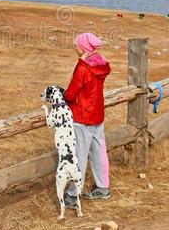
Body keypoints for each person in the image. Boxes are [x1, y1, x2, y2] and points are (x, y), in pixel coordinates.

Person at [64, 32, 112, 208]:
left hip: (82, 117)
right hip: (97, 114)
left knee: (79, 156)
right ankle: (103, 187)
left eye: (76, 45)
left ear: (83, 47)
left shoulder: (83, 67)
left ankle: (72, 195)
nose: (75, 47)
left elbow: (71, 93)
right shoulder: (101, 63)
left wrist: (63, 96)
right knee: (99, 152)